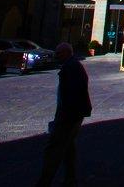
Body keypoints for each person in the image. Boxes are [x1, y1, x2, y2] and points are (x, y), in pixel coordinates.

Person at [36, 42, 92, 187]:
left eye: (59, 53)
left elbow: (71, 95)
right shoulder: (72, 66)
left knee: (53, 149)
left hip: (69, 115)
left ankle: (45, 181)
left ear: (67, 52)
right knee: (68, 147)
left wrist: (64, 116)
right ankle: (70, 178)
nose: (57, 56)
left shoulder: (71, 67)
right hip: (74, 113)